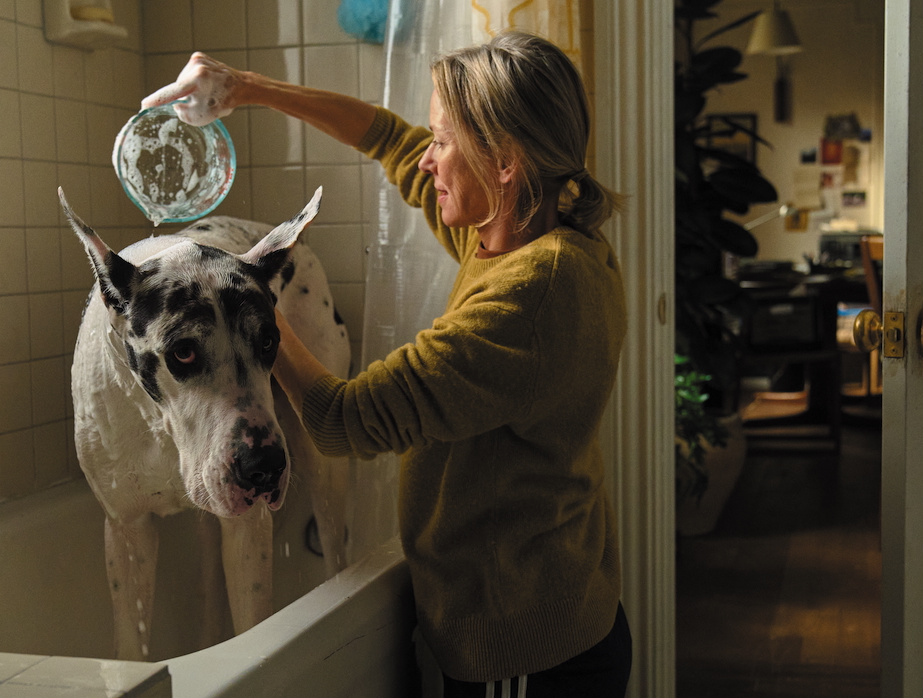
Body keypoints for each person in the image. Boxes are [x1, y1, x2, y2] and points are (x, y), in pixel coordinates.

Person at [143, 30, 630, 697]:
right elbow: (385, 137)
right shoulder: (527, 230)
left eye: (443, 140)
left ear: (506, 162)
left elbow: (345, 422)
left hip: (523, 644)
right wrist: (249, 88)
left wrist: (247, 305)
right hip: (546, 604)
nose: (426, 160)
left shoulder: (533, 294)